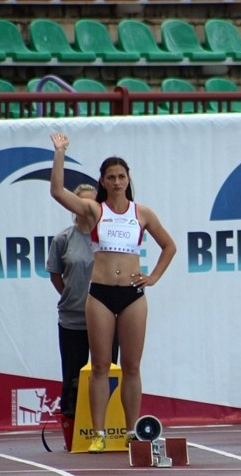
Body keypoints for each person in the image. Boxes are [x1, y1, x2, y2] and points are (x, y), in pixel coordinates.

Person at [49, 132, 177, 453]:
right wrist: (60, 152)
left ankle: (134, 431)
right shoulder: (94, 210)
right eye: (111, 177)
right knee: (101, 366)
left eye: (122, 176)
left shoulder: (142, 213)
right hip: (100, 294)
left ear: (128, 179)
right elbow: (56, 191)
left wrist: (154, 277)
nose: (117, 181)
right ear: (103, 181)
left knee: (132, 367)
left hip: (132, 295)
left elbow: (169, 246)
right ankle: (98, 433)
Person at [47, 183, 119, 419]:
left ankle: (108, 424)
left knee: (107, 373)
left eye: (92, 203)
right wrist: (71, 295)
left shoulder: (110, 235)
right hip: (73, 319)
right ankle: (73, 427)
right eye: (82, 203)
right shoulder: (63, 239)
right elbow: (55, 274)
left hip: (107, 318)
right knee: (73, 376)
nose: (87, 208)